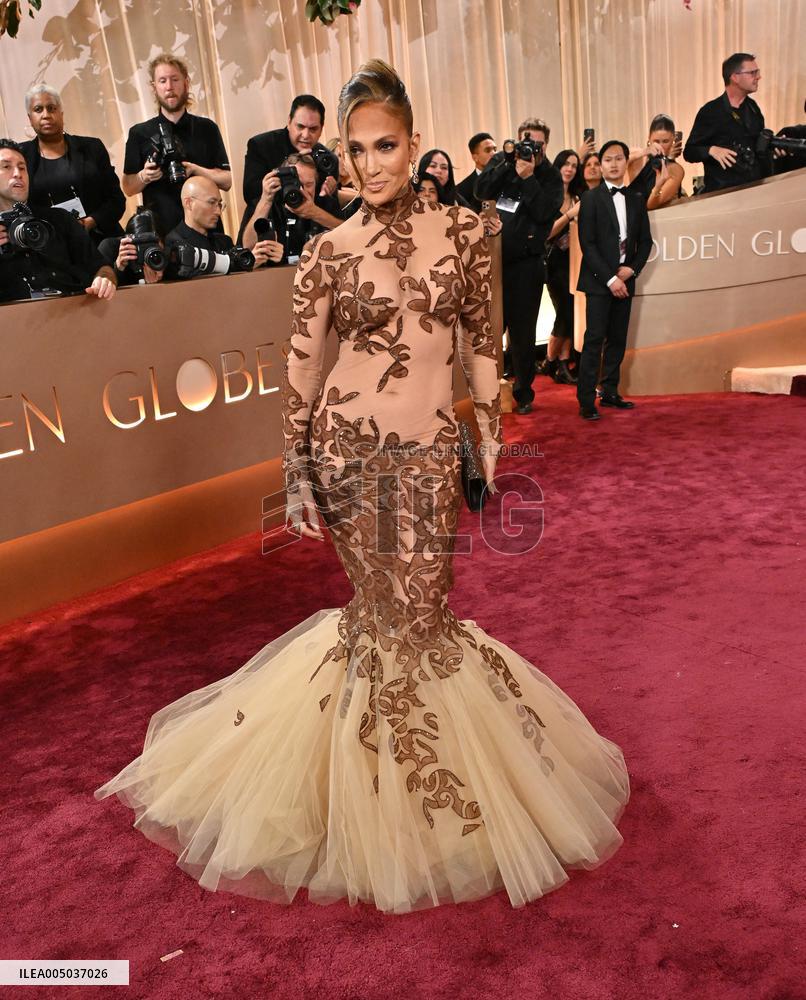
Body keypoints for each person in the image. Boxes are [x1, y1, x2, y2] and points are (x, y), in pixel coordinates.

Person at [95, 59, 629, 914]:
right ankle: (398, 808)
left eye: (386, 144)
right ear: (341, 157)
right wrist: (296, 472)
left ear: (414, 144)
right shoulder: (327, 250)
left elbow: (484, 343)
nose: (372, 162)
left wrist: (492, 433)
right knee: (403, 619)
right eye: (356, 149)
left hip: (427, 455)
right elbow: (302, 374)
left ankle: (396, 789)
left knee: (417, 618)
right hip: (350, 458)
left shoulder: (466, 233)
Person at [476, 117, 564, 414]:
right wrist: (509, 166)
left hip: (527, 264)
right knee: (489, 326)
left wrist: (528, 178)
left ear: (546, 145)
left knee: (523, 332)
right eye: (527, 141)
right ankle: (485, 388)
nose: (531, 148)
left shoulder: (550, 177)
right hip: (492, 259)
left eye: (537, 143)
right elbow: (481, 190)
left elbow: (544, 213)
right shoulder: (503, 160)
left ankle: (523, 391)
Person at [576, 140, 652, 421]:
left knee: (618, 339)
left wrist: (632, 269)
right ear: (600, 164)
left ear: (626, 162)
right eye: (607, 160)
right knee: (594, 340)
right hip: (599, 282)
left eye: (619, 158)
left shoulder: (635, 198)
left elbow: (645, 242)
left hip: (625, 279)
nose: (613, 164)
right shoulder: (590, 198)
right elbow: (588, 244)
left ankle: (609, 391)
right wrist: (610, 278)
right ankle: (586, 401)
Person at [122, 54, 232, 237]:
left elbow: (226, 181)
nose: (169, 87)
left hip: (207, 232)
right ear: (154, 87)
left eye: (175, 79)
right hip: (161, 232)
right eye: (162, 81)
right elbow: (128, 187)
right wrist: (145, 176)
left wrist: (195, 169)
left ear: (186, 83)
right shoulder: (139, 133)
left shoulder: (207, 128)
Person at [0, 139, 116, 304]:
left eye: (22, 167)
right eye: (6, 166)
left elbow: (101, 267)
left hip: (74, 314)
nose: (18, 173)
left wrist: (105, 280)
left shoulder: (59, 219)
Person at [19, 85, 125, 245]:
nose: (46, 115)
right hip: (50, 246)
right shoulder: (21, 156)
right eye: (38, 109)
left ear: (61, 113)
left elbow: (116, 200)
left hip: (100, 239)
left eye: (51, 108)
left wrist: (90, 221)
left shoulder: (92, 147)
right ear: (30, 118)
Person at [241, 95, 339, 236]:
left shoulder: (328, 160)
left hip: (308, 235)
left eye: (313, 129)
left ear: (321, 128)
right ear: (289, 122)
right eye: (300, 126)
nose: (305, 135)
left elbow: (330, 209)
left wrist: (328, 193)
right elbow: (250, 195)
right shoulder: (262, 145)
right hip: (264, 232)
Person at [684, 52, 771, 193]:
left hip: (754, 191)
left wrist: (773, 146)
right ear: (735, 77)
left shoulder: (753, 108)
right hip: (723, 196)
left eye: (757, 72)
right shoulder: (710, 111)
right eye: (752, 73)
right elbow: (689, 152)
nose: (758, 77)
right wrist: (711, 150)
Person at [238, 153, 341, 266]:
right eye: (297, 183)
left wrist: (315, 213)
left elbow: (350, 233)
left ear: (316, 183)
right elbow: (247, 247)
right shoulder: (266, 205)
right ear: (282, 182)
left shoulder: (325, 204)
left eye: (309, 184)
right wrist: (266, 200)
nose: (302, 190)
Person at [539, 149, 586, 385]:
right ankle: (551, 360)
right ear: (557, 167)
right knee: (564, 313)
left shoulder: (579, 196)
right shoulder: (548, 196)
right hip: (555, 262)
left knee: (571, 313)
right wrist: (569, 215)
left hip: (576, 262)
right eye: (565, 164)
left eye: (574, 165)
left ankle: (560, 363)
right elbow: (546, 233)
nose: (569, 169)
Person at [165, 175, 273, 274]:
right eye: (211, 203)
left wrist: (250, 261)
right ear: (188, 203)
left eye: (220, 204)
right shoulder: (172, 245)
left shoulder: (225, 242)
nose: (218, 212)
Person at [627, 115, 685, 208]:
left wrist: (658, 187)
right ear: (649, 138)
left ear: (673, 140)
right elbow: (614, 165)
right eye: (656, 141)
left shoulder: (675, 170)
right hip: (627, 215)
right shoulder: (638, 156)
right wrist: (644, 152)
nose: (660, 146)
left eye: (665, 141)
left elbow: (651, 205)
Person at [456, 132, 497, 211]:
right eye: (488, 150)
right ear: (475, 157)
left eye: (495, 149)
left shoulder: (507, 178)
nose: (494, 154)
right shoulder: (462, 189)